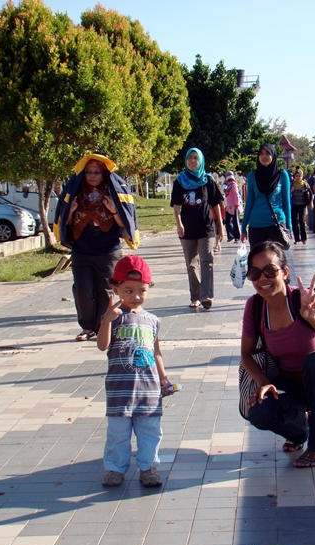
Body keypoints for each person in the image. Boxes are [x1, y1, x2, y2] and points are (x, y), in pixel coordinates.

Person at [240, 241, 315, 468]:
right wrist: (263, 382)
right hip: (292, 384)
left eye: (270, 271)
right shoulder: (255, 306)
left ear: (285, 272)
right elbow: (246, 354)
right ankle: (300, 432)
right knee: (259, 411)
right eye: (255, 273)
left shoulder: (304, 298)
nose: (263, 279)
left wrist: (311, 317)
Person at [97, 255, 170, 487]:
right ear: (115, 287)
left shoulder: (153, 321)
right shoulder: (114, 319)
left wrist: (164, 378)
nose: (136, 296)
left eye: (142, 291)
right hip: (120, 390)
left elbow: (156, 352)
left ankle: (148, 467)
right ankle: (114, 468)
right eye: (128, 290)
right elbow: (102, 345)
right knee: (118, 434)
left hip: (149, 391)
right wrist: (106, 320)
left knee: (150, 432)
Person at [54, 154, 139, 341]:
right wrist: (72, 211)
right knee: (82, 289)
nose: (92, 176)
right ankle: (87, 327)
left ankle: (103, 326)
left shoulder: (112, 192)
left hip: (108, 250)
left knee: (106, 290)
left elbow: (123, 222)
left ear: (104, 174)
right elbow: (65, 223)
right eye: (89, 172)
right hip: (81, 250)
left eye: (97, 172)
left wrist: (113, 210)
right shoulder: (75, 193)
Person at [171, 147, 224, 310]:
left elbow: (216, 205)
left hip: (206, 227)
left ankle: (206, 296)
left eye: (196, 158)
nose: (192, 161)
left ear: (200, 161)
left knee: (207, 260)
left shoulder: (208, 180)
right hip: (187, 228)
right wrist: (179, 224)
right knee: (191, 263)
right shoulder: (180, 181)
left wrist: (220, 227)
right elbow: (176, 205)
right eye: (190, 158)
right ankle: (195, 296)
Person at [240, 143, 291, 249]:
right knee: (258, 261)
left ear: (273, 155)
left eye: (267, 153)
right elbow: (249, 202)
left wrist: (289, 227)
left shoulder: (282, 175)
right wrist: (243, 227)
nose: (264, 156)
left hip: (275, 224)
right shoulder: (253, 176)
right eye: (261, 153)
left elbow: (286, 202)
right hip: (256, 224)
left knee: (273, 261)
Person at [291, 169, 314, 245]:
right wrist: (291, 190)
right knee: (294, 222)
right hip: (294, 205)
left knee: (302, 221)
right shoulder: (292, 184)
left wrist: (311, 203)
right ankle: (297, 239)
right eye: (296, 176)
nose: (297, 177)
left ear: (302, 176)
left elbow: (310, 194)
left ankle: (304, 238)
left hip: (302, 205)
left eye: (299, 176)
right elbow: (287, 194)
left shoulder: (305, 184)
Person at [223, 170, 242, 243]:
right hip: (228, 206)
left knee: (235, 221)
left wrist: (237, 204)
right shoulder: (227, 185)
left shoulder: (233, 184)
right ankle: (230, 235)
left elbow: (236, 194)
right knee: (227, 221)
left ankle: (237, 237)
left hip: (234, 205)